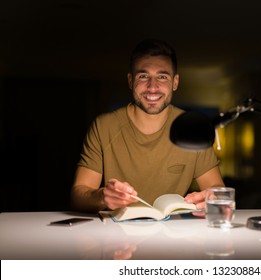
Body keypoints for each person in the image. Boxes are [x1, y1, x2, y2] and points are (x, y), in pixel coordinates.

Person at [70, 38, 225, 214]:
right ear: (130, 81)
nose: (152, 87)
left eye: (162, 76)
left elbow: (218, 189)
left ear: (175, 82)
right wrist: (103, 196)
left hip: (174, 237)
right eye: (143, 76)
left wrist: (211, 199)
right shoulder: (104, 126)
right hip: (116, 236)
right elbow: (78, 194)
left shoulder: (192, 128)